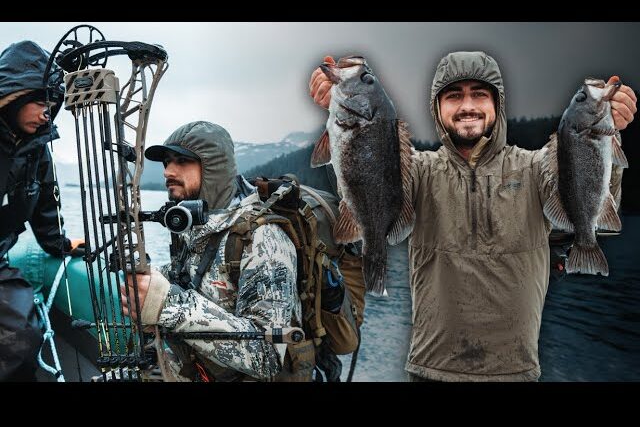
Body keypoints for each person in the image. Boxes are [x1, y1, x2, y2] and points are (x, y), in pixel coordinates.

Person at [309, 51, 637, 381]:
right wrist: (340, 112)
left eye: (479, 93)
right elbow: (366, 181)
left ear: (498, 103)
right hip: (429, 371)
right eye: (454, 95)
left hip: (516, 372)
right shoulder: (419, 171)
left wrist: (610, 134)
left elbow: (586, 198)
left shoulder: (537, 168)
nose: (468, 106)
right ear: (437, 108)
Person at [119, 121, 303, 382]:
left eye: (182, 161)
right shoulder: (193, 225)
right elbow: (194, 282)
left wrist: (167, 304)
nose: (168, 171)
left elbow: (269, 355)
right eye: (167, 162)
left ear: (213, 167)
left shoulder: (263, 239)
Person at [0, 40, 84, 381]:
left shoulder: (38, 153)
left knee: (21, 339)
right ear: (14, 98)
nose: (47, 112)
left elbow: (46, 208)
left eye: (53, 104)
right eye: (40, 102)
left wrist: (61, 246)